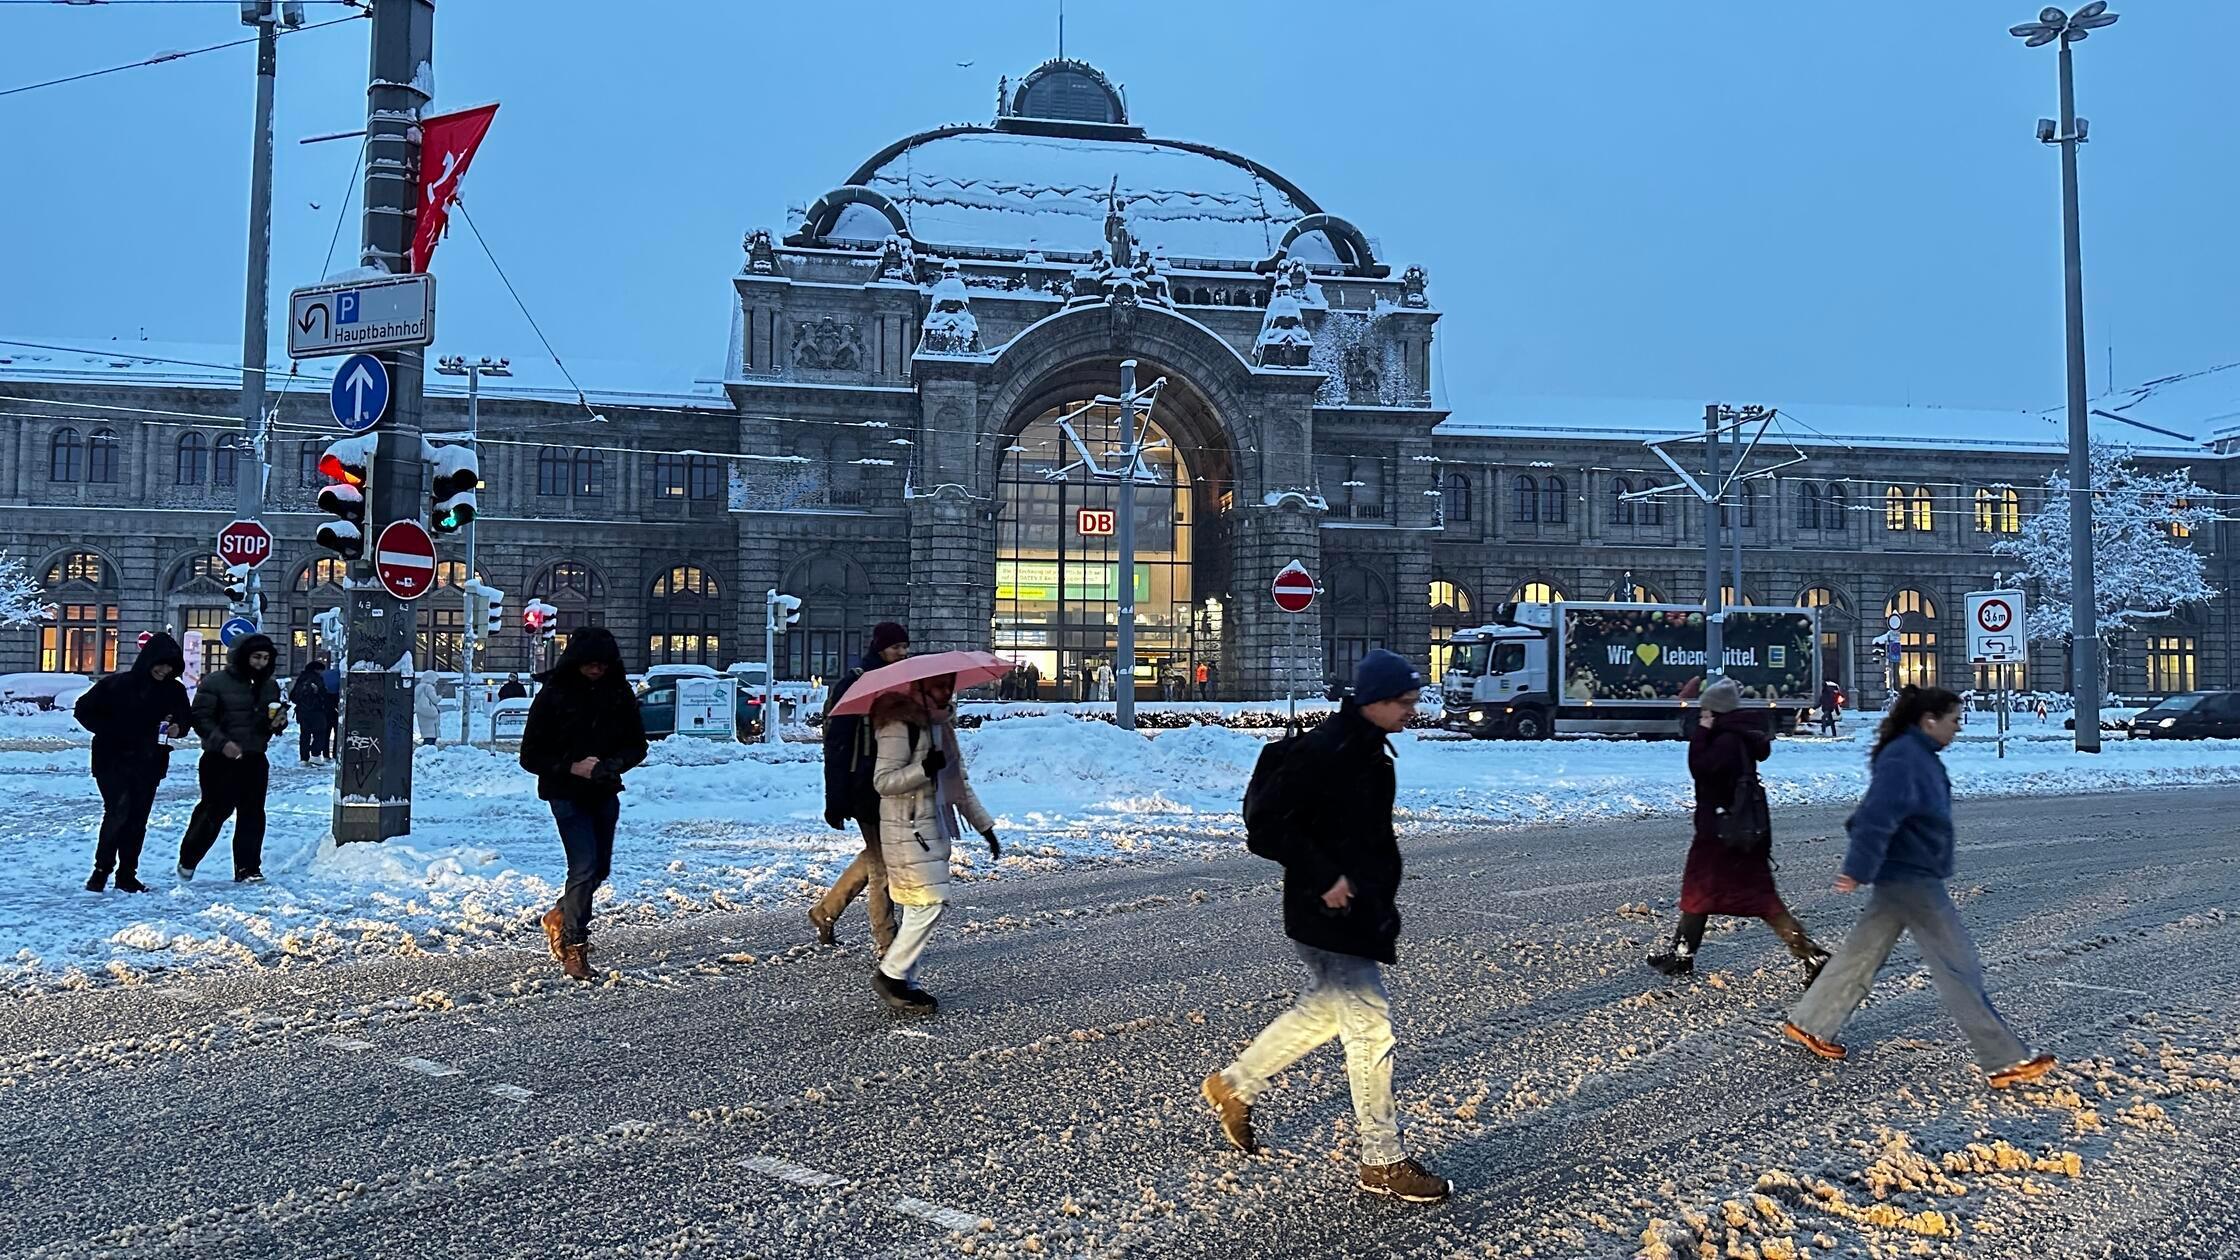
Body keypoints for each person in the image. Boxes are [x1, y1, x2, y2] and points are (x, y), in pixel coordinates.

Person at [1201, 649, 1452, 1204]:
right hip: (1326, 913)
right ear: (1376, 701)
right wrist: (1325, 877)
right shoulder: (1327, 751)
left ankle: (1233, 1085)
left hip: (1355, 910)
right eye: (1405, 702)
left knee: (1323, 1013)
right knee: (1370, 1028)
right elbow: (1268, 829)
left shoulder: (1368, 748)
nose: (1413, 711)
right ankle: (1382, 1159)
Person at [1782, 686, 2057, 1089]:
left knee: (1863, 953)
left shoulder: (1915, 755)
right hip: (1911, 875)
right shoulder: (1906, 758)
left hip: (1907, 871)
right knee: (1956, 965)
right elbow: (1876, 815)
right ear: (1929, 720)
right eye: (1954, 721)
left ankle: (1810, 1023)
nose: (1958, 729)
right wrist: (1857, 867)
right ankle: (2003, 1059)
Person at [1647, 678, 1831, 985]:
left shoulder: (1725, 741)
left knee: (1759, 901)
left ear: (1715, 710)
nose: (1701, 714)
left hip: (1727, 835)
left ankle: (1813, 955)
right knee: (1699, 894)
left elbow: (1701, 768)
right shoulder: (1734, 735)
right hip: (1728, 831)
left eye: (1705, 709)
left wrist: (1702, 733)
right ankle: (1681, 953)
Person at [517, 627, 648, 981]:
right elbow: (529, 755)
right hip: (564, 792)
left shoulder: (619, 694)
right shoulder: (553, 696)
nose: (597, 670)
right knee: (585, 866)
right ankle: (574, 949)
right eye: (590, 664)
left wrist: (609, 766)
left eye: (603, 665)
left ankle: (560, 915)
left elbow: (637, 745)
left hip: (604, 790)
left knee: (599, 869)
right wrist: (571, 766)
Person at [870, 671, 998, 1013]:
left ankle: (906, 982)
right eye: (939, 686)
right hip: (906, 828)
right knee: (930, 902)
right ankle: (891, 973)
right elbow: (883, 781)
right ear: (921, 686)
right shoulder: (900, 724)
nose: (945, 692)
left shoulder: (942, 727)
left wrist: (985, 827)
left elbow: (960, 784)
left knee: (917, 906)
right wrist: (923, 769)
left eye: (949, 686)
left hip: (932, 828)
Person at [809, 621, 910, 953]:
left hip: (894, 786)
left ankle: (826, 911)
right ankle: (887, 943)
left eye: (905, 647)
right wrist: (835, 799)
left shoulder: (903, 683)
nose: (902, 653)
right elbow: (836, 746)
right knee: (884, 864)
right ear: (880, 647)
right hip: (864, 787)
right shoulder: (856, 683)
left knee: (875, 856)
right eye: (896, 647)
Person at [73, 632, 193, 893]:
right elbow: (82, 709)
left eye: (170, 666)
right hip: (111, 758)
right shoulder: (117, 684)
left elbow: (186, 720)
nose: (164, 670)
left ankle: (127, 874)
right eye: (160, 664)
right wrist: (109, 730)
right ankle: (101, 870)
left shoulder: (174, 690)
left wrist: (177, 728)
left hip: (150, 761)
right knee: (118, 810)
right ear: (148, 660)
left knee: (138, 818)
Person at [177, 633, 285, 884]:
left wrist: (277, 723)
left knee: (253, 814)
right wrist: (222, 743)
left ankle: (248, 868)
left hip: (255, 757)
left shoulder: (269, 685)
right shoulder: (215, 682)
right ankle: (189, 857)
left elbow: (268, 721)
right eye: (256, 657)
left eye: (266, 658)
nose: (260, 662)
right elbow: (201, 719)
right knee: (214, 810)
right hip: (219, 760)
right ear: (242, 656)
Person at [290, 661, 335, 764]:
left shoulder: (301, 678)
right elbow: (323, 694)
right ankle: (315, 754)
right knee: (320, 733)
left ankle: (304, 758)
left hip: (302, 712)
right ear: (317, 669)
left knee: (305, 735)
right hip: (317, 712)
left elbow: (293, 696)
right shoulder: (317, 679)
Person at [414, 675, 441, 747]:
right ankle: (428, 751)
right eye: (435, 680)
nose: (436, 683)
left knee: (426, 733)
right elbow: (434, 700)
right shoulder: (429, 687)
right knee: (431, 735)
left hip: (421, 712)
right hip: (430, 712)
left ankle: (426, 749)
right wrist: (440, 697)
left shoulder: (418, 687)